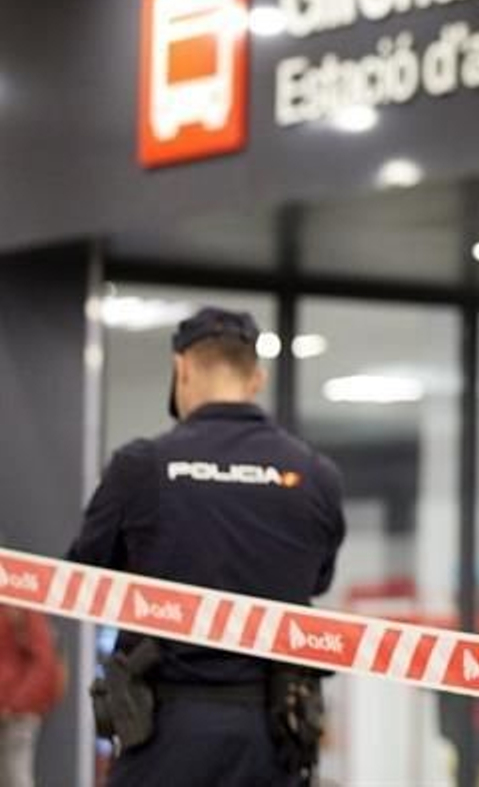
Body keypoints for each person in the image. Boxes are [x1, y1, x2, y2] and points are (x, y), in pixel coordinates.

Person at [67, 307, 346, 786]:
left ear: (182, 368)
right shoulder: (316, 475)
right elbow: (318, 579)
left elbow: (82, 576)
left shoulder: (142, 468)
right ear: (255, 378)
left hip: (166, 735)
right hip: (273, 735)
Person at [0, 605, 65, 787]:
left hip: (17, 715)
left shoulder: (20, 607)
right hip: (10, 707)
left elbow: (44, 661)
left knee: (15, 775)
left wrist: (16, 703)